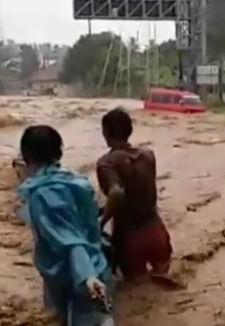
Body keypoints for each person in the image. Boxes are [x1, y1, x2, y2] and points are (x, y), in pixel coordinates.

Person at [16, 125, 114, 326]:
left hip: (74, 278)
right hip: (96, 264)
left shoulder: (43, 195)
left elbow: (70, 241)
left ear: (27, 156)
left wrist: (86, 276)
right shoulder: (75, 182)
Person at [97, 108, 172, 280]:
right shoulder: (148, 155)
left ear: (106, 132)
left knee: (136, 289)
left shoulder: (106, 163)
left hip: (130, 237)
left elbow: (116, 193)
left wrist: (101, 222)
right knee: (161, 281)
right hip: (156, 231)